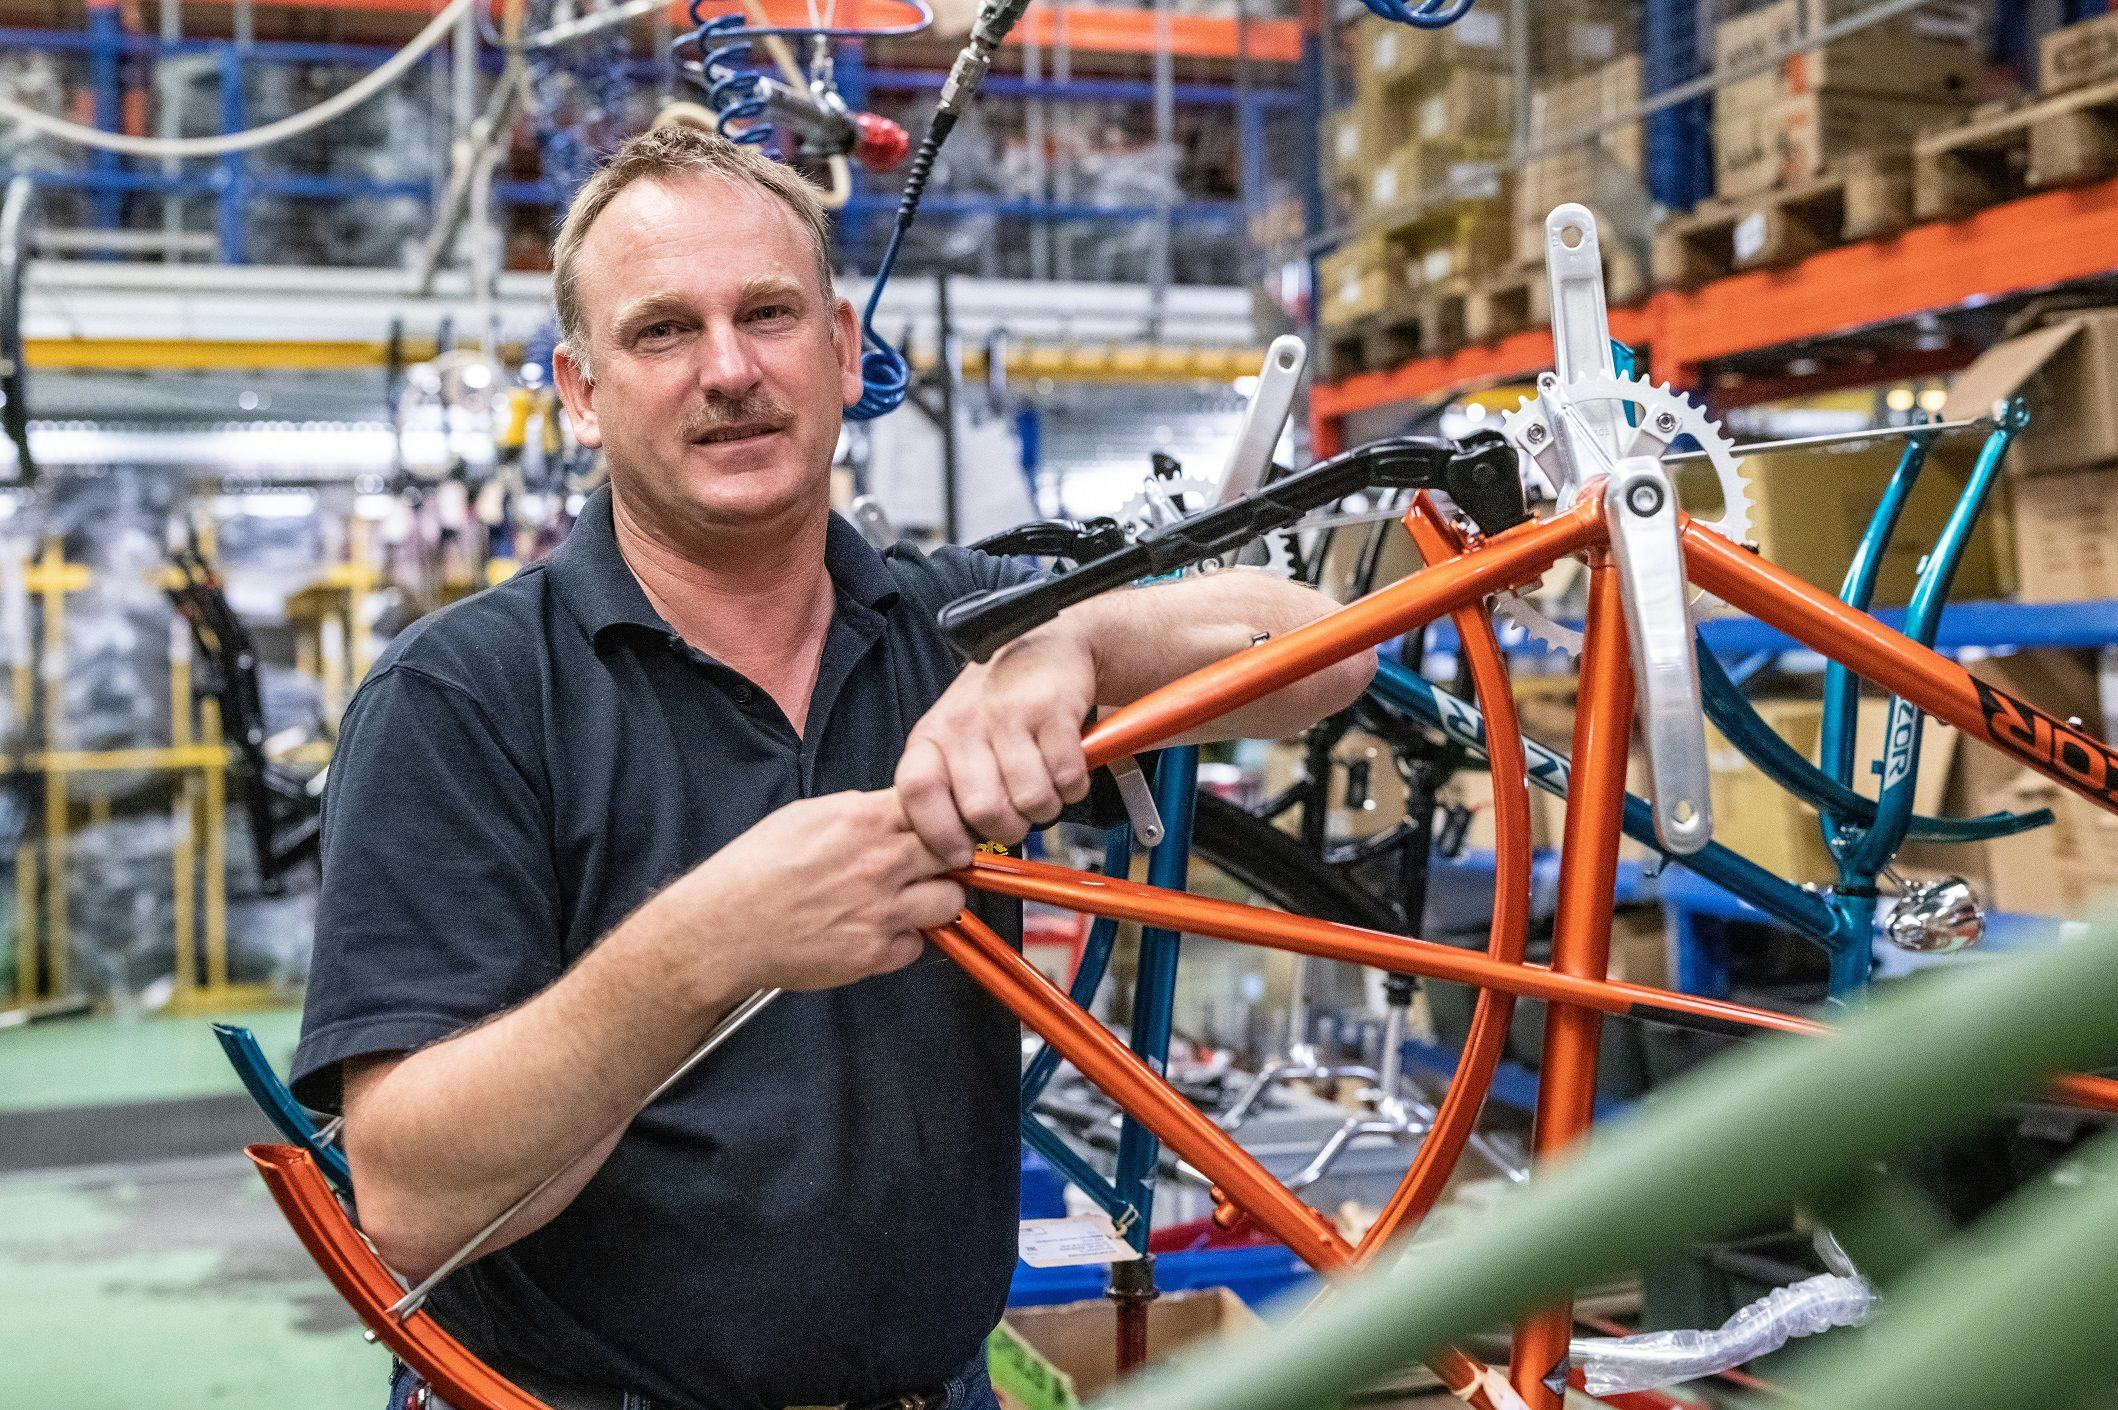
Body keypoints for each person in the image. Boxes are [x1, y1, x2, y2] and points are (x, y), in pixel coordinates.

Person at [293, 123, 1373, 1410]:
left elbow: (1321, 656)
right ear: (580, 393)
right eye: (662, 332)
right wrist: (709, 942)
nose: (731, 369)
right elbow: (410, 1201)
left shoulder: (949, 626)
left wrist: (1069, 645)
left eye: (769, 313)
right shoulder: (460, 700)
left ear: (846, 353)